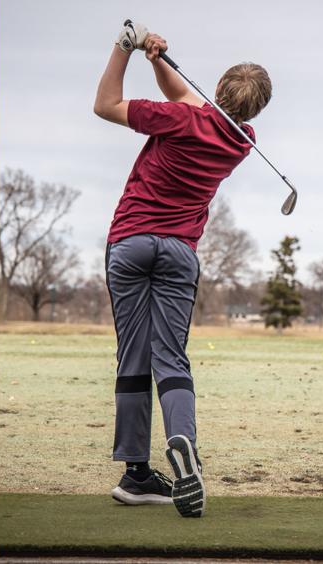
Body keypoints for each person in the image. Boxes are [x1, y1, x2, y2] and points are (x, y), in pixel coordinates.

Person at [92, 21, 271, 517]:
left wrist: (123, 49)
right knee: (171, 357)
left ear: (216, 90)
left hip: (129, 244)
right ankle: (181, 440)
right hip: (179, 253)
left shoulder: (177, 119)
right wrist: (157, 61)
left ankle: (134, 472)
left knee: (133, 356)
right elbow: (193, 102)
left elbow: (105, 105)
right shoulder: (242, 140)